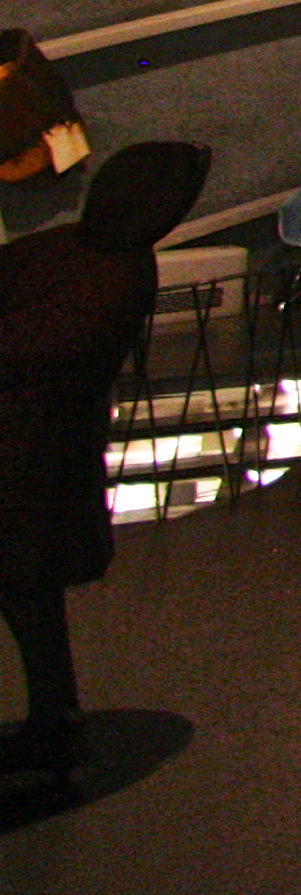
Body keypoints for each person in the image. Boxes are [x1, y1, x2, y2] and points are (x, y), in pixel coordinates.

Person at [0, 142, 209, 791]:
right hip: (32, 462)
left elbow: (29, 348)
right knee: (28, 596)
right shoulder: (102, 263)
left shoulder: (99, 268)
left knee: (27, 593)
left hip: (30, 464)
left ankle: (53, 727)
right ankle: (52, 724)